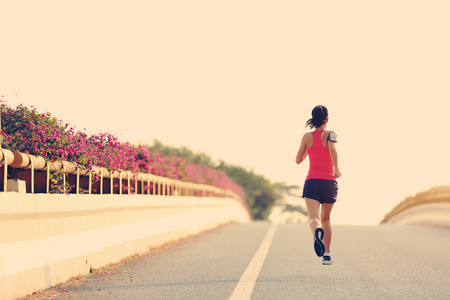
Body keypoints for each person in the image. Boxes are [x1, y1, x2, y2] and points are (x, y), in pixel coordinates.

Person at [295, 105, 341, 265]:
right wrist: (336, 169)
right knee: (326, 219)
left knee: (314, 219)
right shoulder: (331, 134)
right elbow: (333, 150)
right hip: (329, 182)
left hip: (312, 181)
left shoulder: (306, 137)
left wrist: (310, 148)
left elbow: (298, 160)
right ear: (327, 119)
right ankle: (327, 255)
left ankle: (316, 232)